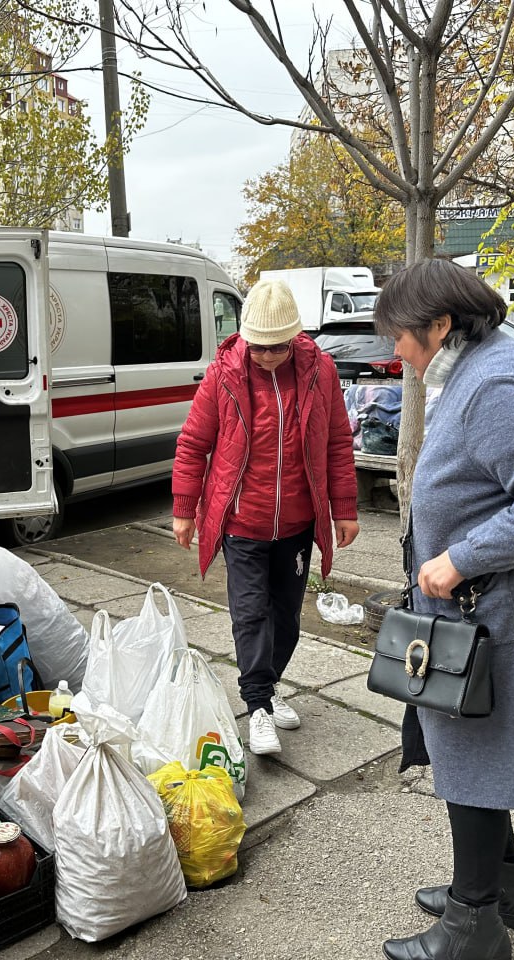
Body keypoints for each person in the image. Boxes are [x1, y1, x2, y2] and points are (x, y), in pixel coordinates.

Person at [374, 259, 514, 960]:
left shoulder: (496, 382)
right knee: (480, 750)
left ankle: (473, 925)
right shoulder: (486, 366)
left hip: (493, 608)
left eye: (399, 336)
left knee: (473, 754)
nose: (395, 352)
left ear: (440, 324)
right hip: (490, 605)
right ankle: (504, 887)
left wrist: (460, 558)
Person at [172, 278, 359, 758]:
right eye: (259, 347)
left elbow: (338, 441)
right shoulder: (222, 375)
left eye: (278, 347)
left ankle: (269, 689)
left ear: (295, 337)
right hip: (243, 524)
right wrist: (184, 511)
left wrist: (344, 509)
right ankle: (257, 705)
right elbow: (193, 445)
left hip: (296, 524)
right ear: (245, 337)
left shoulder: (320, 372)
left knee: (287, 618)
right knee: (251, 614)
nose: (269, 356)